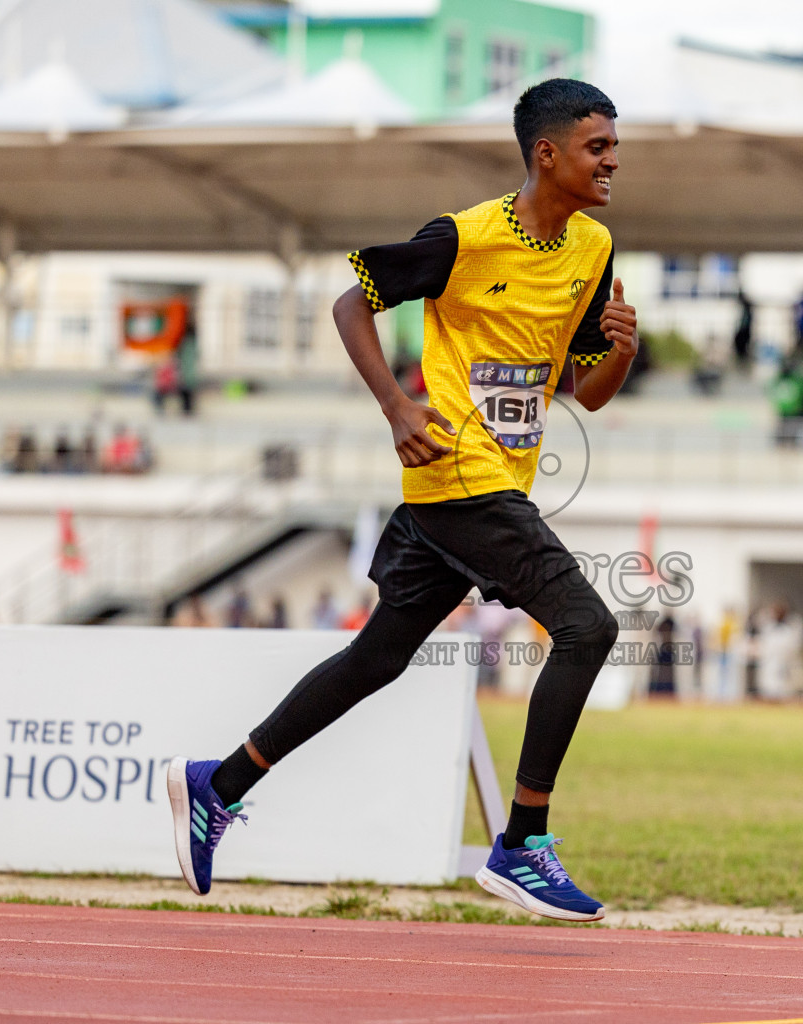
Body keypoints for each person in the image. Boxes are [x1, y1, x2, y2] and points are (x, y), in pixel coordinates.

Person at [166, 80, 631, 923]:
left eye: (614, 145)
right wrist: (396, 406)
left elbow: (586, 393)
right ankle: (523, 843)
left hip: (493, 482)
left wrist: (622, 355)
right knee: (588, 626)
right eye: (598, 146)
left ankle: (216, 784)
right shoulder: (464, 238)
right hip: (458, 473)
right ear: (547, 154)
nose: (613, 161)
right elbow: (353, 302)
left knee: (378, 658)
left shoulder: (593, 248)